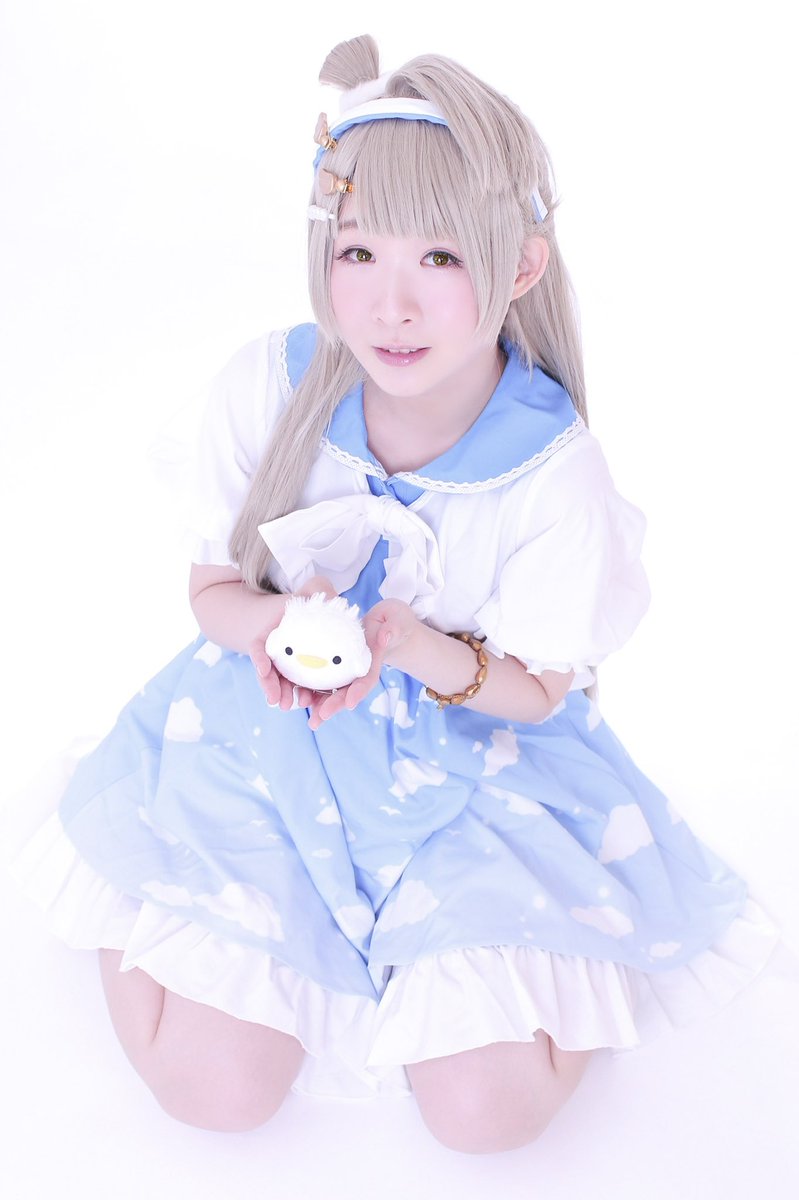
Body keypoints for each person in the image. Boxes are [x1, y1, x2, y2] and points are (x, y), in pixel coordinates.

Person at [9, 34, 778, 1154]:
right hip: (268, 744)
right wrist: (281, 623)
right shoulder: (270, 388)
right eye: (359, 251)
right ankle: (132, 888)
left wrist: (413, 647)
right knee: (216, 1092)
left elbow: (538, 690)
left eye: (441, 257)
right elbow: (213, 592)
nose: (391, 304)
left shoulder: (549, 471)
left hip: (469, 762)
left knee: (483, 1118)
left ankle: (558, 957)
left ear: (520, 265)